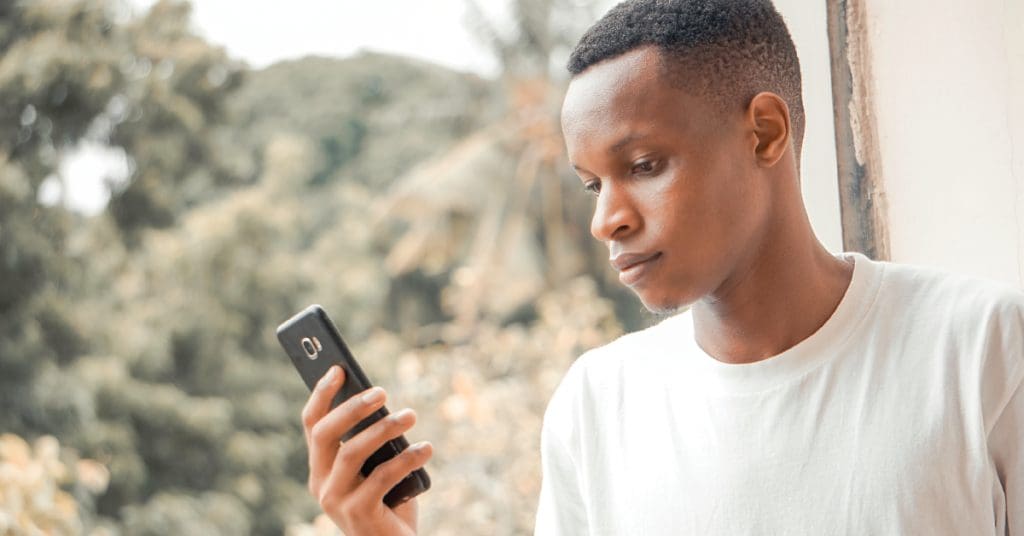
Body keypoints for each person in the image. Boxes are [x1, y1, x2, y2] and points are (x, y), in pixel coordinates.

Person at [300, 0, 1024, 534]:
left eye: (643, 166)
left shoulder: (982, 349)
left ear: (764, 133)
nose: (606, 219)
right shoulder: (597, 406)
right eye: (592, 185)